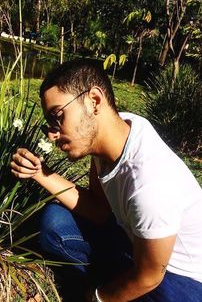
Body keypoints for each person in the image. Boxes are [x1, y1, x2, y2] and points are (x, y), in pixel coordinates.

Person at [11, 59, 202, 302]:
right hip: (135, 244)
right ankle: (116, 280)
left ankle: (113, 285)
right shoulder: (114, 133)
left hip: (180, 279)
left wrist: (98, 297)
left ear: (94, 100)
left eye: (58, 116)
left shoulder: (149, 182)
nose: (52, 133)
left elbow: (150, 275)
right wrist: (39, 173)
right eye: (49, 123)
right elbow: (100, 209)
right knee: (55, 224)